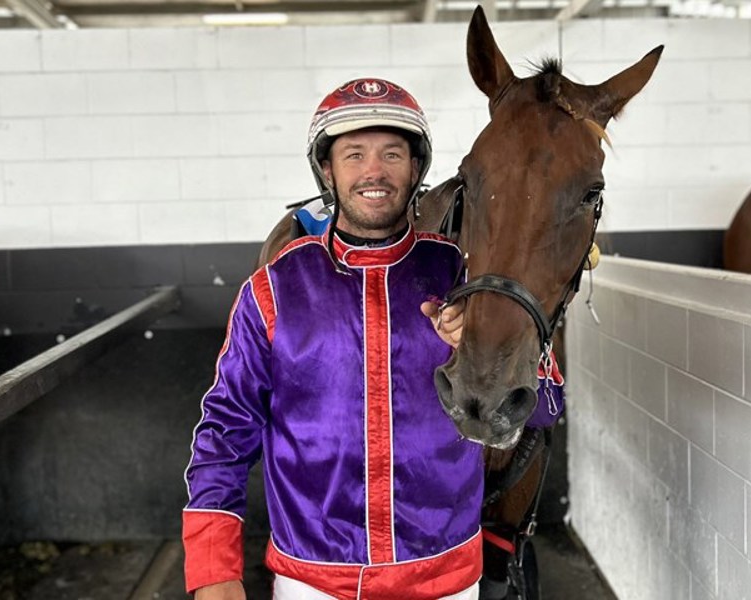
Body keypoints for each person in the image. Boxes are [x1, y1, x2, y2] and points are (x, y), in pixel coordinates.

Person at [182, 78, 563, 600]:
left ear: (416, 168)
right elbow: (226, 428)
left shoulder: (463, 277)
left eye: (392, 154)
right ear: (327, 170)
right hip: (313, 583)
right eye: (354, 154)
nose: (374, 172)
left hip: (446, 580)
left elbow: (546, 406)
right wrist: (214, 569)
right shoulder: (273, 290)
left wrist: (485, 350)